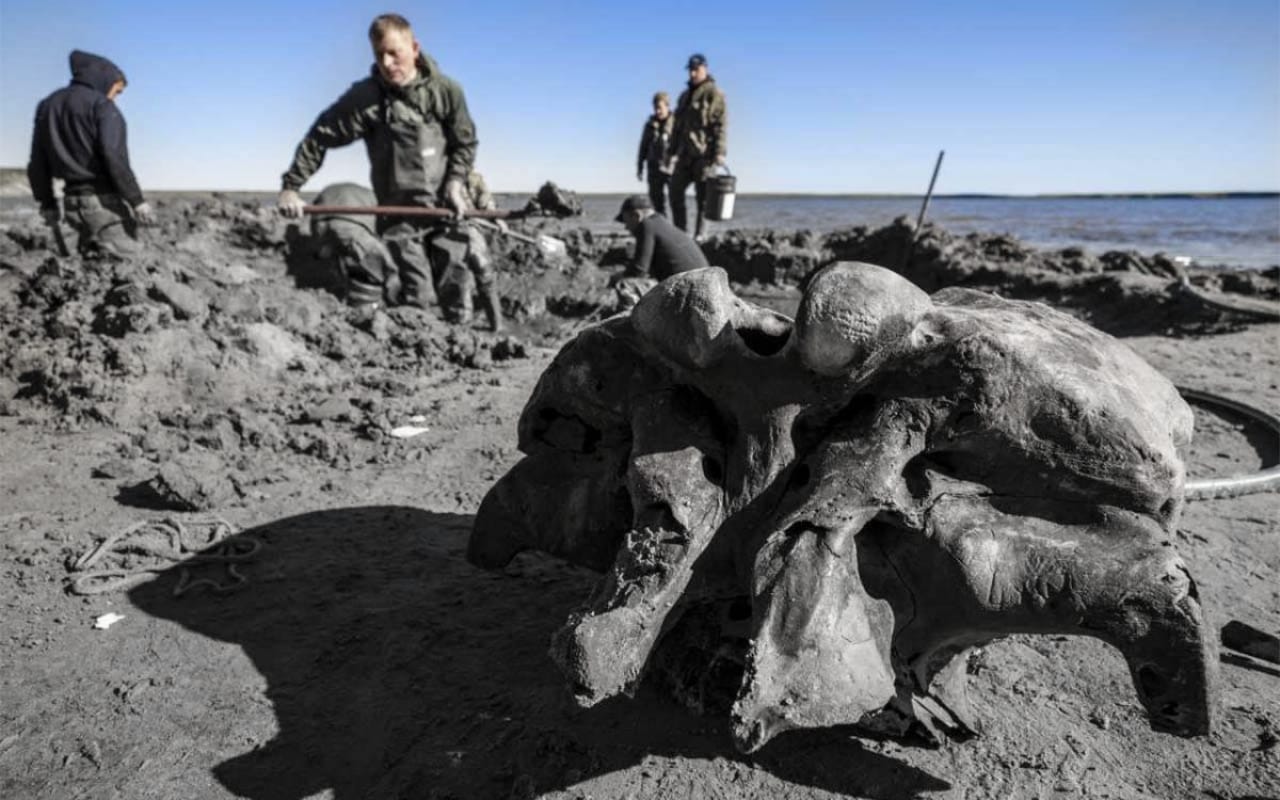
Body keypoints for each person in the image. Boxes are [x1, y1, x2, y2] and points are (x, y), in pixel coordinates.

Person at [276, 13, 502, 329]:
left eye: (394, 53)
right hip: (399, 216)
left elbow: (465, 143)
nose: (386, 62)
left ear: (414, 48)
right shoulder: (366, 99)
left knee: (456, 288)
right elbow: (319, 137)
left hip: (446, 210)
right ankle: (416, 347)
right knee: (418, 296)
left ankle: (464, 344)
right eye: (379, 54)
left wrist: (455, 182)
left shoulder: (446, 92)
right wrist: (291, 187)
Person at [28, 50, 155, 257]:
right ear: (105, 80)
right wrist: (137, 201)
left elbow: (37, 162)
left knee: (90, 264)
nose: (115, 98)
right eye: (117, 91)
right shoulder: (102, 106)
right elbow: (113, 156)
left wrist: (47, 203)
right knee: (134, 264)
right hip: (103, 205)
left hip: (71, 206)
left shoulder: (47, 105)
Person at [669, 53, 727, 240]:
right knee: (674, 190)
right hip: (684, 154)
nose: (693, 73)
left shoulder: (714, 93)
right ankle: (680, 233)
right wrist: (671, 151)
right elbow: (676, 127)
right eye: (690, 70)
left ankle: (700, 236)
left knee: (704, 198)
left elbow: (721, 124)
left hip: (705, 155)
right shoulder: (684, 96)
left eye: (696, 69)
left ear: (705, 69)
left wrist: (719, 151)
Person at [308, 183, 397, 306]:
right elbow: (382, 229)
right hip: (349, 225)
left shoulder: (335, 189)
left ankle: (339, 293)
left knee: (335, 259)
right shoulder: (375, 196)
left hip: (320, 225)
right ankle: (393, 302)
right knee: (388, 268)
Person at [435, 170, 503, 330]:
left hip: (468, 233)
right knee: (461, 282)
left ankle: (494, 326)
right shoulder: (437, 176)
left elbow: (486, 201)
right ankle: (464, 331)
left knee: (481, 277)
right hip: (452, 234)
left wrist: (497, 218)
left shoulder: (471, 177)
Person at [615, 194, 709, 281]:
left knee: (623, 283)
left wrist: (616, 277)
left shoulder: (647, 225)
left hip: (688, 285)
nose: (626, 227)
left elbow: (639, 269)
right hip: (705, 280)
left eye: (626, 222)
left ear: (636, 215)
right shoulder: (661, 223)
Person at [636, 91, 674, 215]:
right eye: (655, 108)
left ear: (667, 106)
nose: (657, 111)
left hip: (672, 168)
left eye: (660, 108)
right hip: (654, 168)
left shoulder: (677, 123)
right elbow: (643, 146)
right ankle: (662, 225)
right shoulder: (649, 125)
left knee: (676, 201)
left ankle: (678, 227)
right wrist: (640, 167)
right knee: (656, 203)